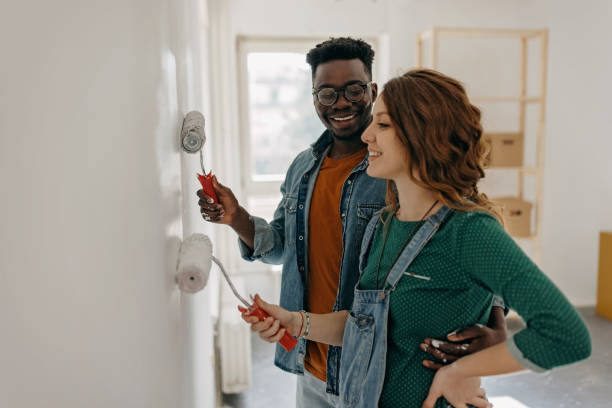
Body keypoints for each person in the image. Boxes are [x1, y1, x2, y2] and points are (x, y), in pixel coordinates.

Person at [241, 69, 592, 408]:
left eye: (383, 125)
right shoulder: (384, 224)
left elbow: (565, 335)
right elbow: (366, 326)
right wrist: (296, 322)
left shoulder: (468, 230)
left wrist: (461, 371)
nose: (367, 136)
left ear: (422, 135)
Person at [198, 38, 506, 407]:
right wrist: (237, 218)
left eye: (353, 90)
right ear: (314, 98)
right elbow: (281, 246)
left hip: (378, 369)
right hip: (311, 362)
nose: (341, 102)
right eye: (327, 93)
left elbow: (471, 238)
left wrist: (498, 326)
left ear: (372, 91)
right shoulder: (303, 168)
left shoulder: (395, 167)